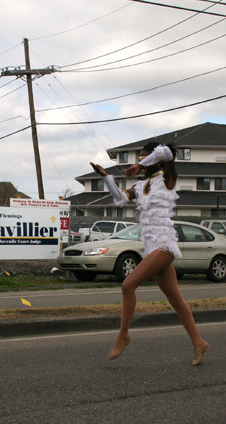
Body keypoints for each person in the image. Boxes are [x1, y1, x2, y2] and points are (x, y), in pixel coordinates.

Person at [90, 142, 209, 365]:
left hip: (165, 245)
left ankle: (123, 336)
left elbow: (167, 152)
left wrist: (139, 163)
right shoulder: (141, 186)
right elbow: (119, 198)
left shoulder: (168, 178)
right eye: (141, 158)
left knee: (127, 285)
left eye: (146, 158)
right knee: (176, 299)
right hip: (151, 247)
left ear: (154, 160)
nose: (143, 163)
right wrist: (106, 177)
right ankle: (198, 342)